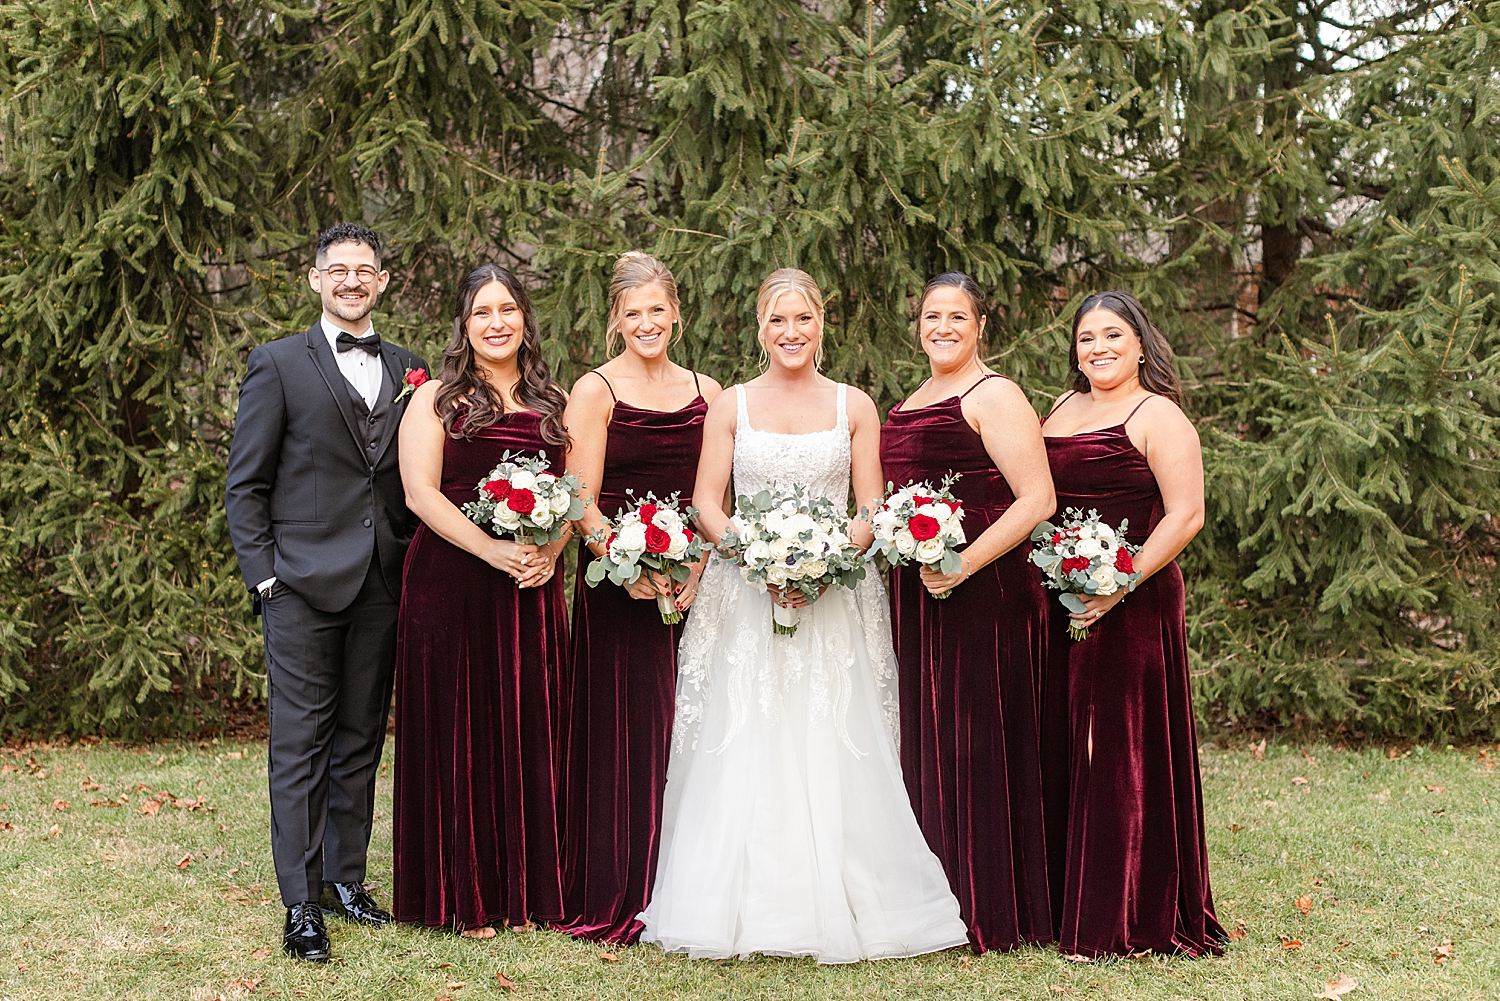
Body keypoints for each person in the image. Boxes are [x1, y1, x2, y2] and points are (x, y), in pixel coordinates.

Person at [638, 268, 968, 963]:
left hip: (834, 595)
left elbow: (873, 505)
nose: (791, 332)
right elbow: (706, 501)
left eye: (804, 319)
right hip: (745, 594)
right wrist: (759, 560)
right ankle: (743, 899)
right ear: (760, 328)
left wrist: (821, 564)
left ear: (822, 324)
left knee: (831, 737)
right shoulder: (731, 404)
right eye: (778, 320)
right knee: (745, 736)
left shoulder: (857, 404)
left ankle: (850, 895)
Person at [225, 223, 428, 961]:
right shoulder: (277, 364)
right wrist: (267, 578)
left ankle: (346, 881)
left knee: (360, 739)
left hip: (382, 580)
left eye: (364, 270)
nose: (351, 280)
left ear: (381, 281)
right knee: (300, 744)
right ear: (315, 280)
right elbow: (245, 484)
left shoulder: (411, 369)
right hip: (302, 585)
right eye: (337, 270)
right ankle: (301, 901)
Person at [1039, 290, 1225, 959]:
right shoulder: (1060, 408)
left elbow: (1186, 514)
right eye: (1086, 338)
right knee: (1065, 740)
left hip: (1136, 598)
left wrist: (1120, 582)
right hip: (1062, 596)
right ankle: (1066, 899)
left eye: (1113, 335)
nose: (1099, 348)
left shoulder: (1158, 415)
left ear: (1141, 343)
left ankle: (1126, 910)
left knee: (1120, 753)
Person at [391, 264, 572, 936]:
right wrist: (490, 549)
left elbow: (571, 495)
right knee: (461, 732)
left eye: (508, 309)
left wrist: (549, 552)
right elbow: (421, 493)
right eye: (481, 312)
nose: (497, 322)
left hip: (528, 587)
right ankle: (461, 894)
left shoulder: (551, 402)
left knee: (524, 729)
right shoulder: (437, 398)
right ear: (464, 326)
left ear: (525, 317)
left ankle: (520, 892)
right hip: (451, 581)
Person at [880, 272, 1057, 952]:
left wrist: (965, 561)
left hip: (986, 594)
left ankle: (993, 901)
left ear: (981, 325)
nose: (943, 327)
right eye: (932, 315)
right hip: (921, 596)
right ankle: (939, 895)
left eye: (957, 315)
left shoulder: (994, 394)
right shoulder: (909, 400)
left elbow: (1036, 498)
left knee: (979, 741)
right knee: (929, 739)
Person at [555, 252, 722, 943]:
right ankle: (615, 883)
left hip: (691, 587)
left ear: (677, 313)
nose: (647, 323)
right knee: (623, 735)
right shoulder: (594, 390)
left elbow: (717, 499)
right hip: (618, 590)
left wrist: (699, 568)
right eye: (634, 313)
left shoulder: (708, 389)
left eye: (658, 310)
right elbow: (578, 499)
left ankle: (686, 884)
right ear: (616, 321)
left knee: (689, 731)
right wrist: (623, 563)